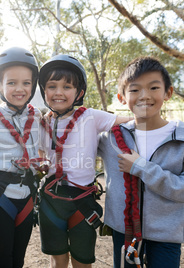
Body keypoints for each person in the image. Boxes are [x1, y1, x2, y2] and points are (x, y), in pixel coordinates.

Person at [98, 56, 184, 268]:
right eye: (135, 90)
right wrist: (50, 118)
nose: (144, 96)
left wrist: (141, 167)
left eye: (153, 87)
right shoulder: (110, 137)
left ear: (168, 92)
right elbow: (73, 142)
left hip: (166, 237)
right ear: (122, 97)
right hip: (123, 233)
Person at [38, 54, 130, 268]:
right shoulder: (41, 124)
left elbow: (130, 122)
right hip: (52, 199)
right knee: (57, 260)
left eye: (67, 87)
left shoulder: (90, 116)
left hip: (83, 199)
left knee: (82, 260)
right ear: (44, 90)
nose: (59, 92)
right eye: (52, 86)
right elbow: (41, 155)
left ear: (79, 92)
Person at [0, 47, 42, 268]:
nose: (19, 88)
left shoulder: (38, 116)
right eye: (11, 82)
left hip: (27, 194)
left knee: (18, 260)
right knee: (2, 260)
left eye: (26, 83)